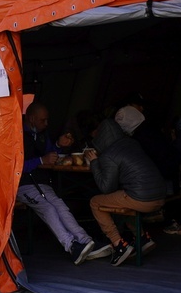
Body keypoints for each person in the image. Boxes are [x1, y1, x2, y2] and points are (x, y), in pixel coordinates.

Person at [16, 102, 111, 264]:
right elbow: (10, 166)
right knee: (48, 208)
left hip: (41, 182)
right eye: (43, 120)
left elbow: (49, 155)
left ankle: (86, 242)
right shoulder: (16, 134)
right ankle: (71, 246)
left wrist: (59, 145)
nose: (46, 124)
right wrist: (39, 160)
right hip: (23, 185)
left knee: (60, 205)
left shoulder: (41, 134)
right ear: (31, 119)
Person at [86, 119, 166, 266]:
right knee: (117, 200)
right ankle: (142, 238)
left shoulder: (109, 154)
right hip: (160, 195)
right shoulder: (132, 143)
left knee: (96, 202)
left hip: (142, 199)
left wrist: (94, 162)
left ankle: (119, 245)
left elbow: (106, 187)